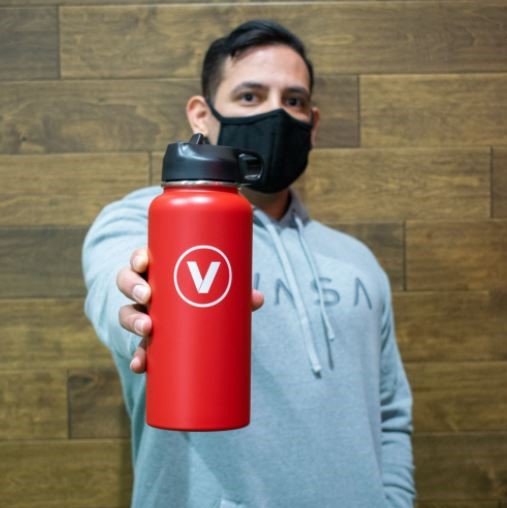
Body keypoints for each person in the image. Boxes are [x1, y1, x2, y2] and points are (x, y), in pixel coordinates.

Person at [82, 19, 415, 508]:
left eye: (293, 100)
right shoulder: (146, 218)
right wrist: (140, 312)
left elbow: (390, 415)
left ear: (312, 125)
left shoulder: (357, 262)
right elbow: (116, 283)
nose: (275, 115)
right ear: (201, 116)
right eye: (250, 96)